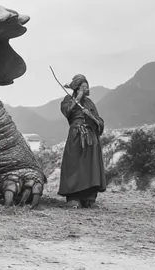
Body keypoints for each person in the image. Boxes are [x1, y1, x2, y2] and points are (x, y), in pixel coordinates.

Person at [58, 74, 106, 208]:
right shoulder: (68, 99)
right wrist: (77, 98)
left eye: (87, 86)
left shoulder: (90, 103)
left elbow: (100, 121)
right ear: (77, 88)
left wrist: (92, 117)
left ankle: (89, 197)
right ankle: (74, 197)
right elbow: (67, 112)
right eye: (83, 87)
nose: (86, 89)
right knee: (75, 165)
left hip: (91, 137)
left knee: (90, 167)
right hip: (76, 136)